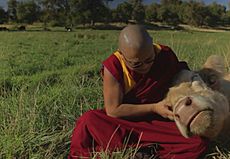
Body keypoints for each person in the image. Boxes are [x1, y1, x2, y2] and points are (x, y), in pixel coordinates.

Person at [68, 25, 208, 159]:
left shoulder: (165, 55)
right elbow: (113, 111)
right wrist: (154, 107)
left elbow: (180, 77)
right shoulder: (114, 66)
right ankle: (142, 152)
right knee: (89, 120)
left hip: (157, 121)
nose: (145, 67)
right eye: (136, 64)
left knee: (197, 142)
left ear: (152, 46)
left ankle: (140, 152)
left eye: (149, 60)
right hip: (126, 122)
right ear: (122, 55)